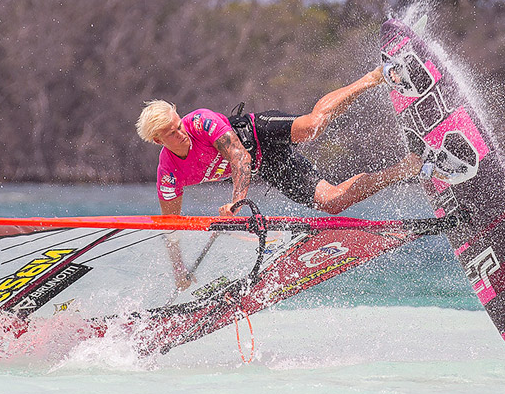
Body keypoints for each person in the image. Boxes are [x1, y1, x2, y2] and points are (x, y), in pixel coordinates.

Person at [135, 66, 421, 286]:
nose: (180, 132)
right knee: (332, 202)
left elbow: (239, 157)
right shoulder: (169, 176)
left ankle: (377, 76)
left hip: (259, 133)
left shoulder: (200, 121)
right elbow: (171, 228)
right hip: (269, 167)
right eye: (172, 133)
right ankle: (408, 167)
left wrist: (237, 202)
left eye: (177, 124)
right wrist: (180, 272)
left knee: (311, 127)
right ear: (159, 142)